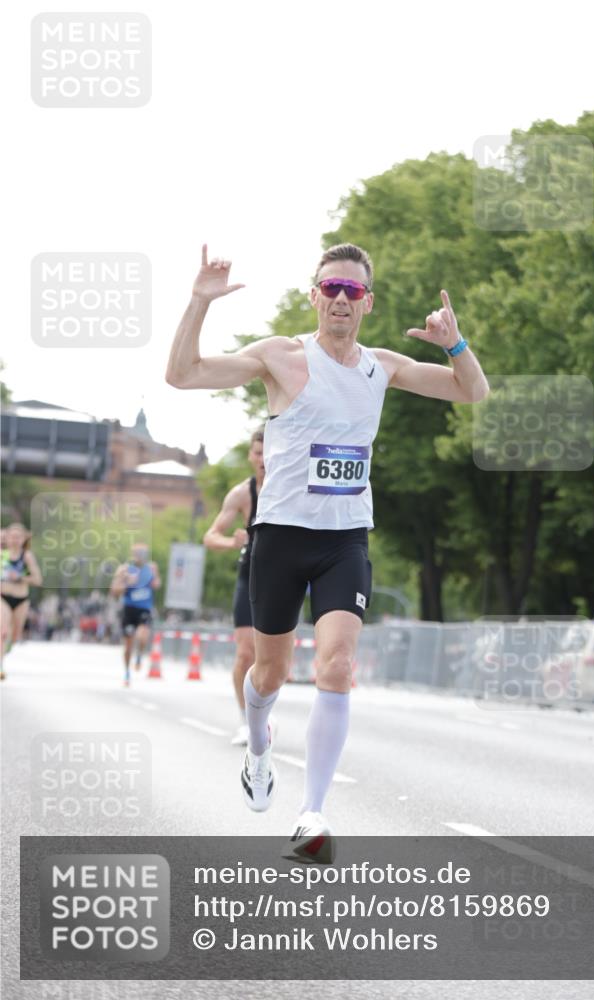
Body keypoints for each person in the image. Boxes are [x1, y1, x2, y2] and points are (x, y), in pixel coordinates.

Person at [166, 242, 489, 861]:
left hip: (345, 540)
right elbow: (183, 374)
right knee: (270, 674)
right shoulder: (281, 358)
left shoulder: (382, 366)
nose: (341, 299)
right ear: (314, 295)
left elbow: (471, 392)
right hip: (280, 538)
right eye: (331, 289)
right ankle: (260, 748)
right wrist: (198, 303)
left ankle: (312, 813)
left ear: (367, 302)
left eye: (354, 291)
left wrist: (455, 344)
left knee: (337, 668)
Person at [203, 430, 266, 745]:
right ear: (250, 456)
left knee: (273, 661)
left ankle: (263, 714)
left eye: (268, 451)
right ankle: (246, 721)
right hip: (250, 575)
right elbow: (210, 535)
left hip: (285, 580)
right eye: (257, 452)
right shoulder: (243, 493)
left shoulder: (294, 488)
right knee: (245, 653)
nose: (263, 458)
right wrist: (232, 541)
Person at [110, 543, 161, 686]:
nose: (141, 555)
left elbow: (157, 585)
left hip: (144, 609)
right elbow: (114, 591)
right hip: (129, 609)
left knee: (142, 636)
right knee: (128, 645)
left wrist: (155, 574)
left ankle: (139, 655)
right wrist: (126, 583)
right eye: (138, 552)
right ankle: (127, 672)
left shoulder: (151, 568)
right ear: (133, 554)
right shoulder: (124, 569)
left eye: (144, 552)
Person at [1, 523, 43, 679]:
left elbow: (38, 579)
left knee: (15, 635)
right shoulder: (2, 554)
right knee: (2, 632)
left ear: (24, 539)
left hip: (21, 599)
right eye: (11, 536)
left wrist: (20, 577)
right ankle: (0, 666)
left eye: (18, 537)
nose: (14, 540)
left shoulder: (26, 556)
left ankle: (8, 646)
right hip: (3, 598)